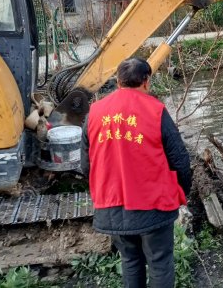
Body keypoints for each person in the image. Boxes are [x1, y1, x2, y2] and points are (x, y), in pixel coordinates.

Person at [80, 57, 192, 288]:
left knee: (130, 260)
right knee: (160, 262)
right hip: (153, 206)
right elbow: (180, 160)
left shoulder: (94, 113)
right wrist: (183, 191)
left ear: (118, 81)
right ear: (146, 81)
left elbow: (86, 165)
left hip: (112, 206)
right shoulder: (156, 111)